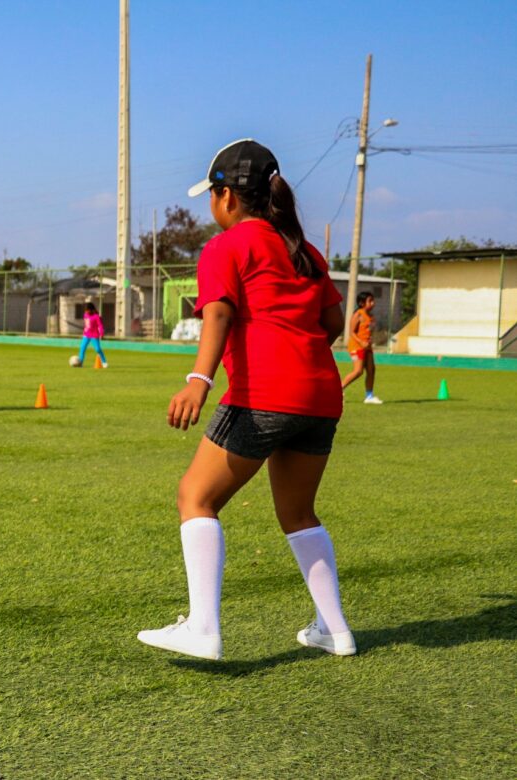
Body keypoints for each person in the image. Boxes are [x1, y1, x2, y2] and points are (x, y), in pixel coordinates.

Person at [137, 139, 356, 661]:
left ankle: (203, 629)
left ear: (228, 197)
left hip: (265, 394)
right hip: (321, 396)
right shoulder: (306, 250)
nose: (211, 207)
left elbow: (217, 314)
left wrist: (198, 379)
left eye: (211, 195)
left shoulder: (226, 247)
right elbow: (330, 324)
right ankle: (336, 630)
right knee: (299, 512)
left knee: (197, 497)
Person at [341, 292, 382, 404]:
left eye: (373, 300)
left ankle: (369, 396)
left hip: (367, 347)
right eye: (370, 301)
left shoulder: (371, 316)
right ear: (361, 303)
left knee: (371, 370)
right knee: (358, 371)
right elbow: (351, 332)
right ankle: (338, 390)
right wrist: (361, 342)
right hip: (357, 346)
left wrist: (370, 340)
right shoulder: (358, 314)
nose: (373, 303)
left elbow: (368, 331)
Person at [77, 302, 109, 367]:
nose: (86, 311)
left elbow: (100, 325)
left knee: (98, 349)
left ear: (91, 309)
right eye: (85, 310)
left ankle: (104, 362)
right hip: (86, 335)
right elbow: (86, 324)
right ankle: (80, 363)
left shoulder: (96, 316)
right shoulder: (85, 315)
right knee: (82, 348)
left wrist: (101, 333)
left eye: (87, 310)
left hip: (94, 335)